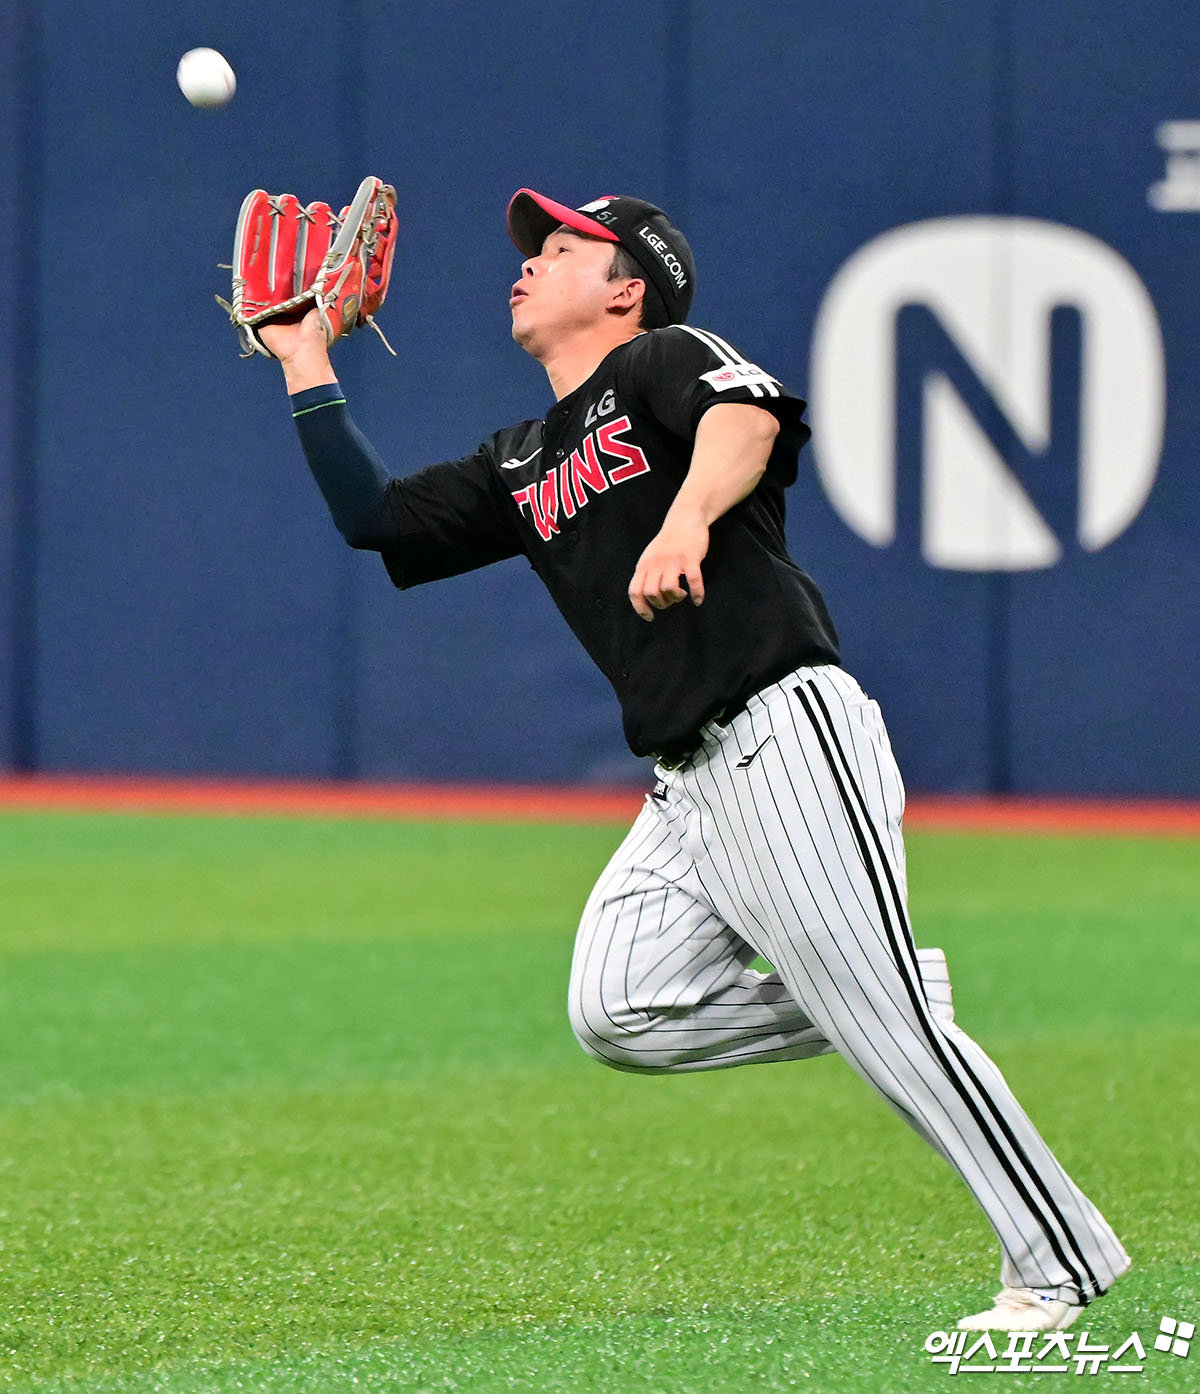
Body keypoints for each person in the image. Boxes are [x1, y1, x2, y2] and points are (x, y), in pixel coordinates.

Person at [256, 188, 1129, 1332]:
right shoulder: (521, 458)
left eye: (561, 247)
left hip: (784, 732)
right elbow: (378, 519)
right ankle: (881, 990)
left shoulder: (659, 359)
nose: (528, 263)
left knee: (888, 1030)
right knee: (618, 1009)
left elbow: (746, 420)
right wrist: (304, 355)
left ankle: (1059, 1258)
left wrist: (687, 519)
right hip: (686, 784)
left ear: (627, 288)